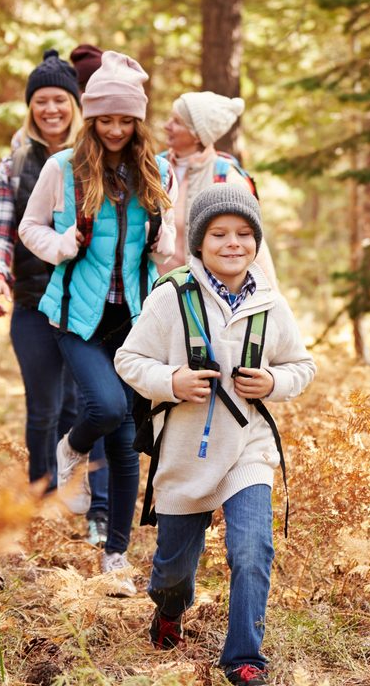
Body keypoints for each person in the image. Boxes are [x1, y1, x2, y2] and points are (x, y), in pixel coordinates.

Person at [114, 186, 315, 686]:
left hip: (248, 447)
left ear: (256, 241)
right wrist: (172, 381)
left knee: (253, 548)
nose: (233, 244)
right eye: (219, 234)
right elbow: (128, 360)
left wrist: (274, 382)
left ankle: (245, 657)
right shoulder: (170, 297)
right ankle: (167, 610)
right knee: (173, 572)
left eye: (244, 234)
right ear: (199, 242)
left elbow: (302, 365)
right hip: (186, 451)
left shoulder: (270, 303)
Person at [19, 50, 175, 595]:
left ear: (137, 122)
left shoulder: (155, 171)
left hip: (134, 317)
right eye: (104, 119)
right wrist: (60, 245)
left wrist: (166, 247)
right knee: (105, 407)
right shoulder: (62, 168)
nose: (113, 129)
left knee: (128, 437)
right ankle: (70, 447)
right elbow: (29, 229)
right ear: (91, 119)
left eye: (124, 120)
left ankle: (115, 555)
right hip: (74, 315)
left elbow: (165, 247)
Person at [0, 49, 110, 546]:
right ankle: (42, 503)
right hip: (34, 301)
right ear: (30, 107)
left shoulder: (95, 154)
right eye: (40, 101)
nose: (50, 109)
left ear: (75, 103)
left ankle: (86, 502)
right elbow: (2, 231)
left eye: (59, 99)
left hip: (86, 302)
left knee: (84, 407)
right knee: (42, 408)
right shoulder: (13, 163)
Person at [159, 91, 277, 286]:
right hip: (153, 295)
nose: (167, 126)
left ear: (198, 135)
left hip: (203, 299)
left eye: (177, 122)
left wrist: (271, 303)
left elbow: (253, 243)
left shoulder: (228, 179)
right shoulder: (153, 168)